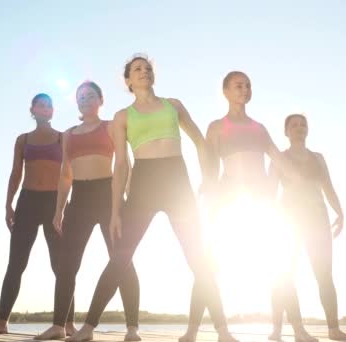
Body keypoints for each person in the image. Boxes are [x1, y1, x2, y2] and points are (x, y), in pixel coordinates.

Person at [67, 55, 237, 342]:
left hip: (176, 182)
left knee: (198, 257)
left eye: (147, 68)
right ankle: (87, 328)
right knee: (120, 257)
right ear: (128, 81)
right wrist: (115, 211)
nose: (143, 72)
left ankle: (222, 331)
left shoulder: (174, 105)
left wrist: (209, 180)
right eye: (137, 69)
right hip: (143, 184)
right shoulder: (122, 117)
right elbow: (121, 164)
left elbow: (200, 143)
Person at [179, 71, 317, 342]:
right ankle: (193, 330)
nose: (244, 89)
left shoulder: (259, 128)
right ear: (226, 92)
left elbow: (277, 157)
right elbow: (209, 161)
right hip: (228, 190)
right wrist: (209, 185)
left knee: (280, 261)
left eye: (248, 85)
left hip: (260, 194)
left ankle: (298, 330)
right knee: (209, 263)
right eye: (238, 85)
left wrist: (300, 178)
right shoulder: (217, 126)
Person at [34, 81, 141, 340]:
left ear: (100, 100)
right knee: (66, 264)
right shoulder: (69, 134)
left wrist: (124, 198)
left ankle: (132, 328)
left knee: (122, 260)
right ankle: (59, 326)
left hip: (107, 195)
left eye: (91, 95)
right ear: (77, 102)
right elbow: (65, 174)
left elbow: (123, 164)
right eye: (81, 97)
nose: (86, 100)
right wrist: (59, 209)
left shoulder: (111, 126)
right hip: (79, 199)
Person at [0, 94, 73, 335]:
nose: (44, 108)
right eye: (39, 105)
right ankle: (1, 322)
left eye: (48, 105)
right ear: (33, 110)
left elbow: (68, 174)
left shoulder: (63, 138)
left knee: (60, 265)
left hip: (55, 202)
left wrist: (63, 208)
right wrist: (8, 204)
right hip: (28, 201)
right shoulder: (23, 140)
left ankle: (67, 323)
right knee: (16, 264)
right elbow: (15, 173)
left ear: (52, 112)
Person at [268, 114, 346, 341]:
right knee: (284, 274)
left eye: (303, 125)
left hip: (318, 218)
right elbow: (269, 193)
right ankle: (287, 329)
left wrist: (340, 212)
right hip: (289, 218)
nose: (300, 128)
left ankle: (334, 330)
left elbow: (328, 186)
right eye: (294, 125)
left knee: (324, 274)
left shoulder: (318, 158)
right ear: (286, 132)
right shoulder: (278, 158)